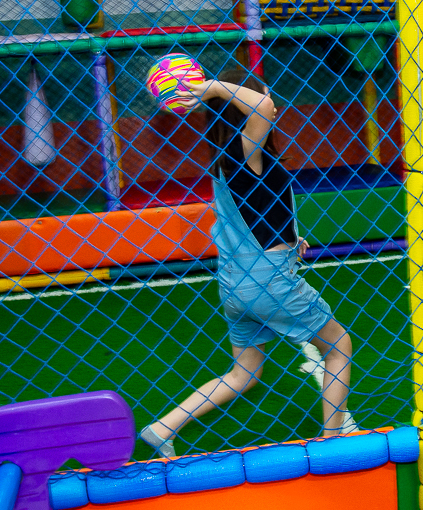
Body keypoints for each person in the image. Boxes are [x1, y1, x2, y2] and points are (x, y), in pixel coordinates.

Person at [139, 66, 357, 459]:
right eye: (263, 93)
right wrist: (207, 88)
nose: (271, 101)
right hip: (268, 282)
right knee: (339, 345)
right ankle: (332, 439)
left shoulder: (228, 161)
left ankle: (163, 427)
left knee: (244, 373)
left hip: (236, 283)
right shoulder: (245, 151)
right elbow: (261, 107)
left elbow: (250, 215)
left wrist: (289, 239)